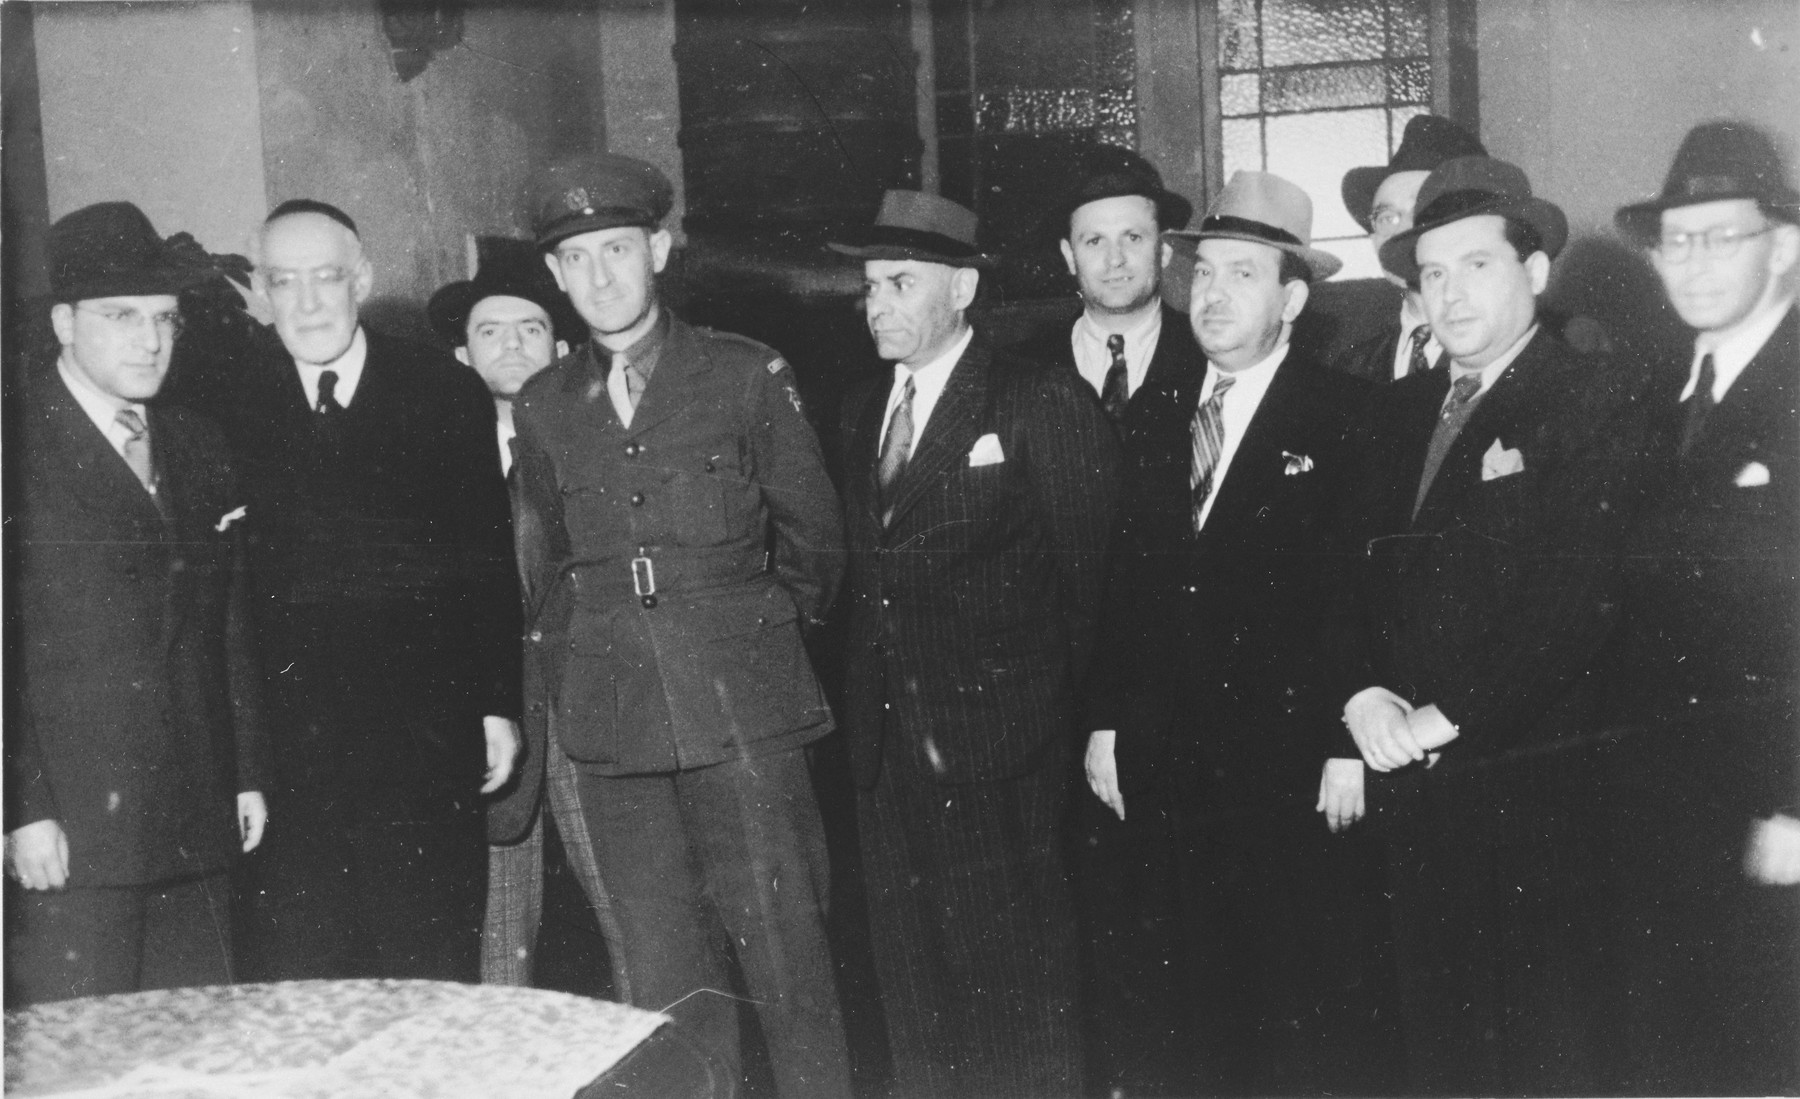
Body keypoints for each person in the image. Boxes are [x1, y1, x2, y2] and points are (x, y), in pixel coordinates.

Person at [512, 154, 850, 1098]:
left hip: (745, 718)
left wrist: (749, 643)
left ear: (657, 248)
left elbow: (817, 544)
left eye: (617, 249)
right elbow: (546, 569)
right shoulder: (544, 405)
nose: (600, 277)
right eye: (576, 259)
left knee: (791, 968)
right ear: (555, 275)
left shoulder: (746, 374)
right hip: (617, 730)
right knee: (664, 985)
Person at [1339, 155, 1654, 1095]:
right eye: (1431, 272)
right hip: (1411, 787)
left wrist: (1438, 720)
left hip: (1533, 790)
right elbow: (1348, 575)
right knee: (1438, 1045)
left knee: (1539, 1047)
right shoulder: (1396, 412)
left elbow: (1578, 603)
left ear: (1537, 272)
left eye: (1477, 264)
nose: (1449, 293)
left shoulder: (1595, 396)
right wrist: (1358, 691)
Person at [1084, 171, 1399, 1095]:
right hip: (1169, 759)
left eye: (1243, 274)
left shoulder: (1350, 420)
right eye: (1204, 272)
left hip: (1288, 765)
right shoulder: (1153, 415)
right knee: (1186, 1003)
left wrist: (1347, 742)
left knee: (1295, 1006)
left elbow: (1366, 590)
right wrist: (1107, 721)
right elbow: (1128, 586)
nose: (1212, 294)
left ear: (1293, 299)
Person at [831, 189, 1121, 1098]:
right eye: (871, 285)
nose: (878, 303)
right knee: (915, 990)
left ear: (961, 289)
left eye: (900, 283)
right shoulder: (858, 408)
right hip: (885, 752)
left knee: (1016, 990)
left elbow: (1093, 586)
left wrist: (1041, 717)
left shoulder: (1036, 399)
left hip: (998, 752)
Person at [215, 199, 522, 983]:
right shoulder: (223, 403)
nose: (308, 302)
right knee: (307, 988)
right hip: (292, 764)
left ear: (364, 279)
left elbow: (484, 559)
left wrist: (495, 702)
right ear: (261, 290)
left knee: (428, 973)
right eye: (286, 282)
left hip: (422, 745)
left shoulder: (441, 390)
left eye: (327, 278)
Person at [6, 201, 268, 1003]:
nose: (150, 339)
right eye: (120, 316)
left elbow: (227, 625)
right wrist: (21, 807)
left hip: (197, 807)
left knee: (204, 1047)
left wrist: (246, 771)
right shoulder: (16, 444)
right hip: (76, 825)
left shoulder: (197, 440)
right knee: (85, 1060)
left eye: (164, 317)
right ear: (63, 322)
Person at [1598, 119, 1800, 1095]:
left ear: (1787, 246)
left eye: (1725, 235)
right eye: (1680, 239)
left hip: (1773, 814)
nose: (1697, 261)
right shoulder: (1661, 395)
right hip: (1665, 804)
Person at [1010, 151, 1203, 1094]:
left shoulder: (1216, 359)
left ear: (1164, 247)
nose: (1117, 257)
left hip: (1178, 700)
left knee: (1175, 933)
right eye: (1096, 240)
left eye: (1135, 236)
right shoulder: (1015, 376)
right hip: (1048, 706)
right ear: (1066, 256)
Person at [425, 245, 620, 987]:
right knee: (500, 949)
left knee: (638, 928)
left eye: (532, 329)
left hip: (597, 725)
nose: (513, 345)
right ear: (459, 354)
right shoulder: (432, 461)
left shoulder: (602, 452)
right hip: (491, 738)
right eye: (490, 331)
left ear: (564, 347)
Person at [1334, 115, 1487, 382]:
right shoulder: (1350, 367)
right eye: (1387, 218)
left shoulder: (1512, 352)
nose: (1402, 232)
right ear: (1373, 239)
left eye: (1422, 212)